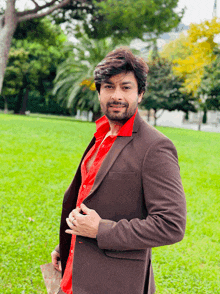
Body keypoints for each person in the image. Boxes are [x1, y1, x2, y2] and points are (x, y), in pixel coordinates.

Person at [51, 48, 187, 294]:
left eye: (126, 87)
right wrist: (67, 246)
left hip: (115, 283)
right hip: (75, 272)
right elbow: (89, 198)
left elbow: (172, 224)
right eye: (108, 87)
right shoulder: (101, 135)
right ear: (99, 91)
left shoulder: (155, 147)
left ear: (140, 94)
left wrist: (101, 229)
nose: (116, 95)